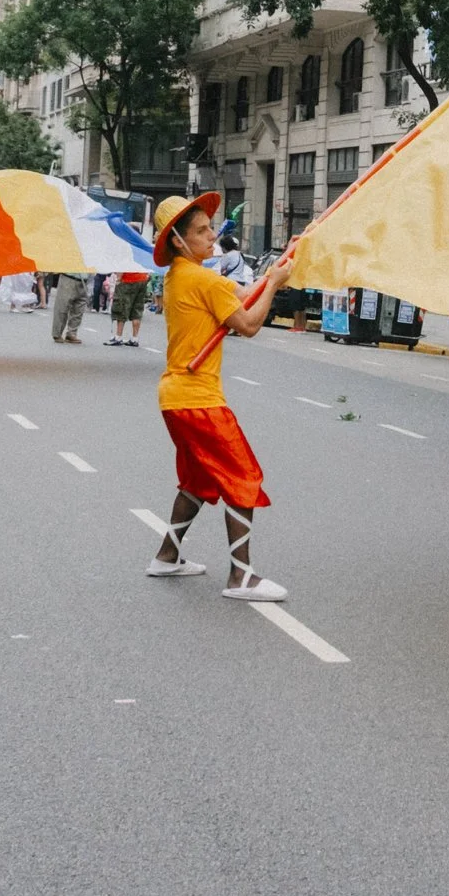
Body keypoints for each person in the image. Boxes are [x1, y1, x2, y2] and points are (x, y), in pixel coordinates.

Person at [144, 192, 293, 600]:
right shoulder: (201, 278)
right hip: (198, 400)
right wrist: (275, 286)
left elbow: (242, 294)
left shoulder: (183, 274)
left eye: (211, 226)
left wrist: (270, 276)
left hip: (177, 397)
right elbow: (247, 323)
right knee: (243, 477)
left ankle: (167, 555)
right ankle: (242, 577)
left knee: (197, 480)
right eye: (202, 230)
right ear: (177, 240)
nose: (213, 235)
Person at [108, 268, 149, 346]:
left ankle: (118, 337)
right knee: (137, 308)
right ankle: (135, 338)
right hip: (142, 279)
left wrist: (119, 279)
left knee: (122, 306)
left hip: (128, 280)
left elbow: (123, 265)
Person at [49, 269, 86, 343]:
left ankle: (72, 333)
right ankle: (57, 333)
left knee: (79, 309)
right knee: (62, 307)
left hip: (84, 280)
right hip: (68, 277)